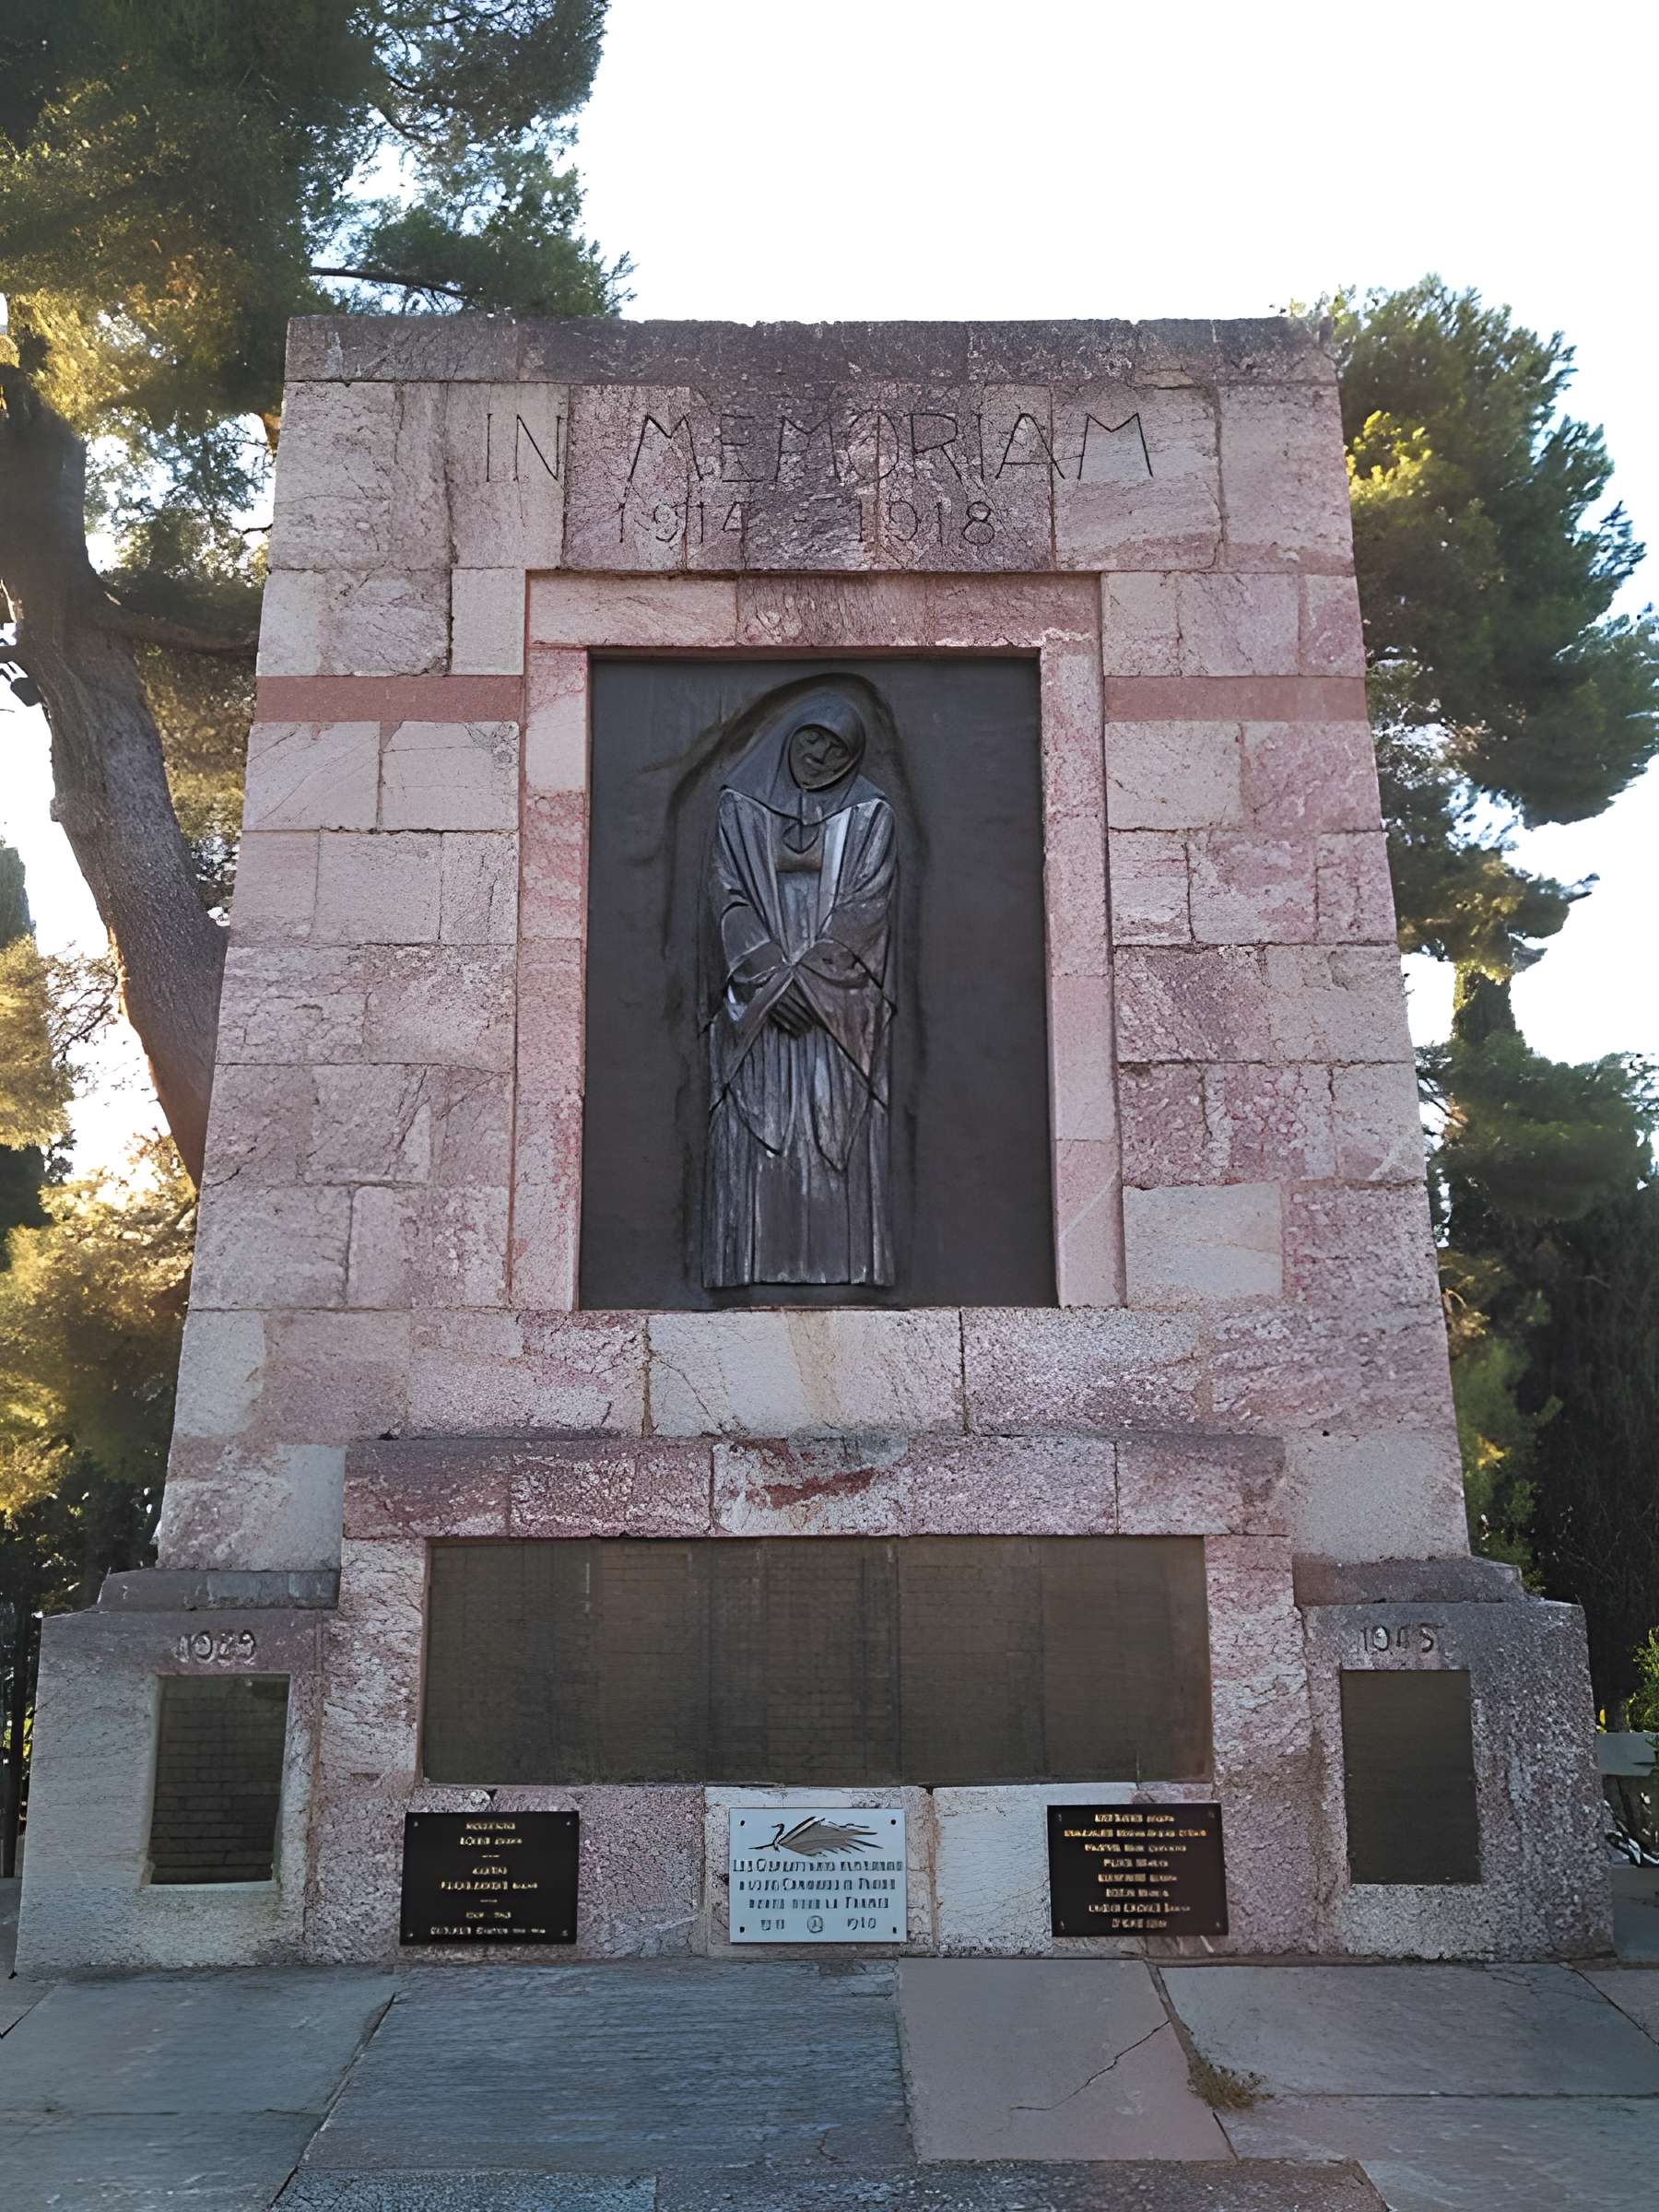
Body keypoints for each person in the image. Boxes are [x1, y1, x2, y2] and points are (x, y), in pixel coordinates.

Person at [702, 680, 897, 1288]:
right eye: (812, 739)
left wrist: (809, 986)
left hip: (837, 1016)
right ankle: (750, 1272)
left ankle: (849, 1274)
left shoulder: (871, 815)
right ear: (792, 735)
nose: (819, 757)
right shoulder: (739, 806)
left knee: (832, 1139)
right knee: (758, 1142)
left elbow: (868, 909)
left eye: (836, 750)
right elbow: (727, 897)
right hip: (756, 1010)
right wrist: (766, 980)